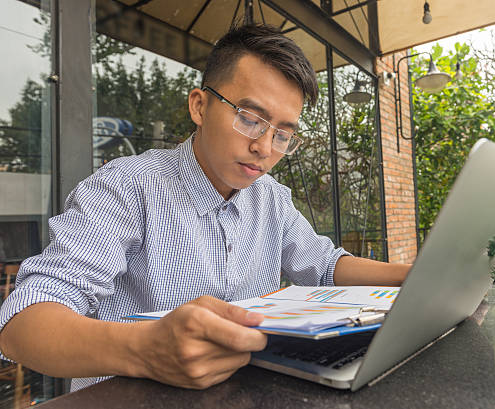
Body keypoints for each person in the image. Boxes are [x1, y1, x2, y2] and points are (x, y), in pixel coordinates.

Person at [0, 24, 411, 392]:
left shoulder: (270, 197)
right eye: (250, 118)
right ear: (199, 105)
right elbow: (23, 324)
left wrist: (413, 278)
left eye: (283, 134)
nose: (265, 148)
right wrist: (145, 350)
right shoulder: (128, 187)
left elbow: (323, 266)